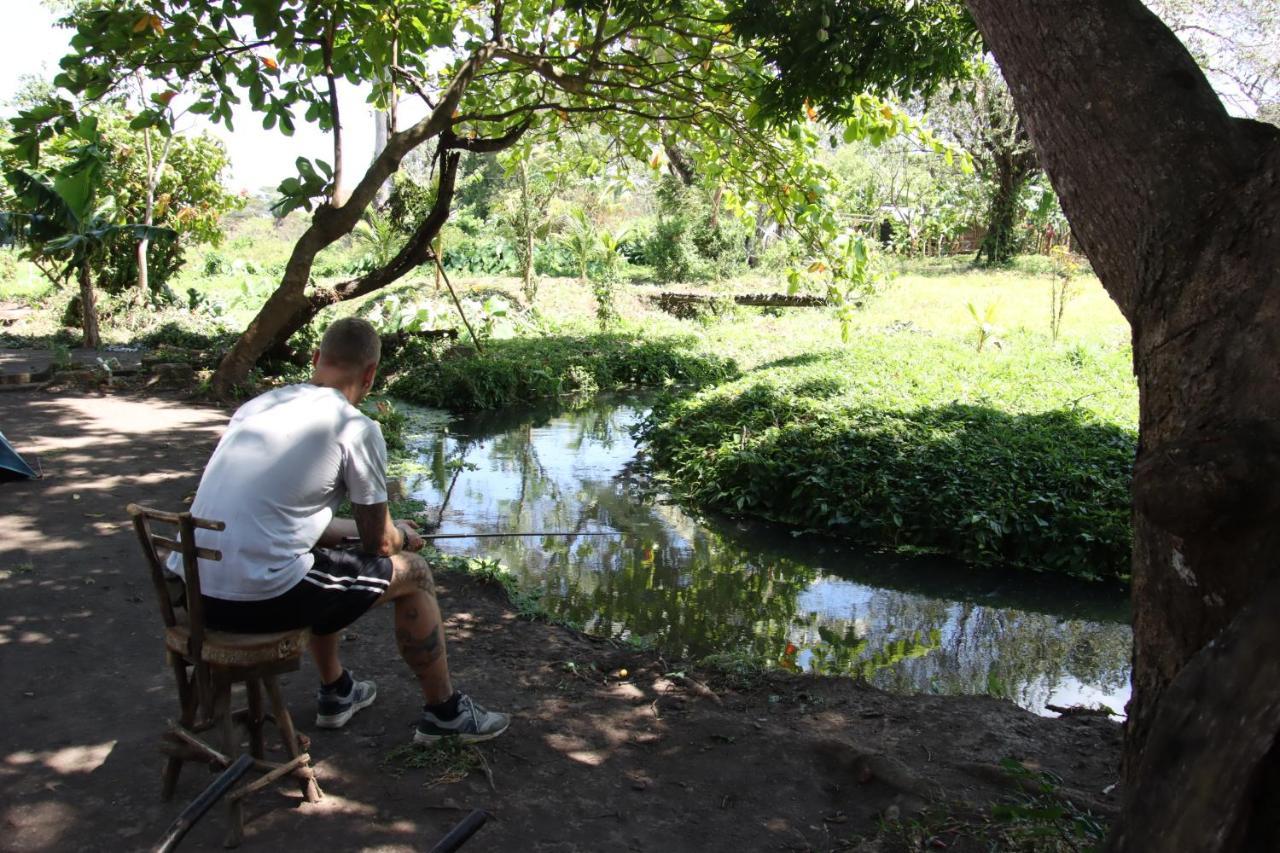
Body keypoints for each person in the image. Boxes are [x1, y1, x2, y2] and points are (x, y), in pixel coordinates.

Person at [168, 317, 508, 744]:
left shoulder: (258, 406)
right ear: (370, 375)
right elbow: (380, 545)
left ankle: (338, 691)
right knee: (415, 572)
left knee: (324, 564)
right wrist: (402, 536)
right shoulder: (356, 428)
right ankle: (446, 714)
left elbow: (294, 523)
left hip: (195, 597)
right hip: (255, 602)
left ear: (315, 359)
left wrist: (386, 529)